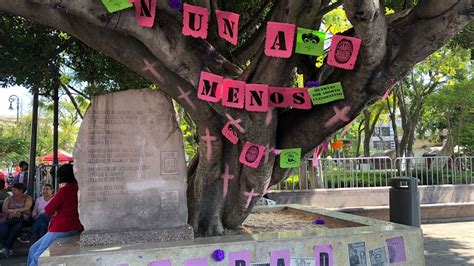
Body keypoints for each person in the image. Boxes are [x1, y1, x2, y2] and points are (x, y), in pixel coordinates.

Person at [27, 164, 83, 266]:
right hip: (75, 226)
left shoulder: (64, 190)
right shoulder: (79, 188)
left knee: (37, 255)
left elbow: (48, 210)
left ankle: (30, 233)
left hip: (60, 228)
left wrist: (56, 211)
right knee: (33, 249)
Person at [0, 182, 33, 257]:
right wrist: (13, 212)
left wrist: (16, 211)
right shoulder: (8, 198)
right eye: (12, 189)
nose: (12, 191)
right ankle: (9, 248)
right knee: (2, 230)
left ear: (21, 191)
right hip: (8, 218)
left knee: (17, 227)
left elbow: (27, 208)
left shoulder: (27, 198)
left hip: (21, 219)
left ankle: (7, 248)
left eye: (14, 190)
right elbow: (4, 209)